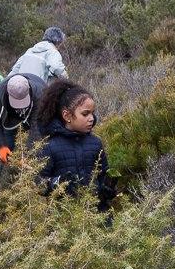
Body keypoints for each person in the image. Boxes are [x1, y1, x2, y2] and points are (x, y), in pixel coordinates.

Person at [35, 80, 116, 210]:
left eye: (92, 113)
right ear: (67, 115)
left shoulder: (95, 143)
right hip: (65, 218)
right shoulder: (50, 146)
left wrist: (107, 190)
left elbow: (104, 175)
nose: (91, 118)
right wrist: (58, 183)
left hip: (97, 214)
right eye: (85, 114)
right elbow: (39, 183)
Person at [0, 73, 46, 166]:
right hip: (11, 118)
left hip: (36, 115)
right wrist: (1, 146)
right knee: (0, 151)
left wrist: (28, 154)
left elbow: (36, 127)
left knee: (40, 149)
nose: (20, 106)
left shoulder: (40, 94)